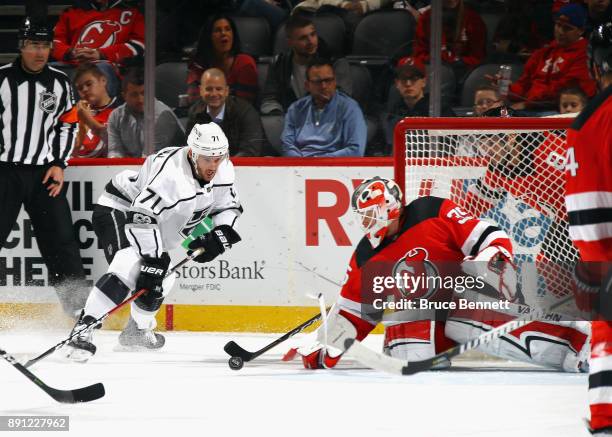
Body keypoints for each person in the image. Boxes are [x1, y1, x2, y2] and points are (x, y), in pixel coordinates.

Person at [288, 177, 589, 372]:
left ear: (388, 209)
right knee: (403, 344)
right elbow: (355, 313)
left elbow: (489, 234)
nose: (365, 221)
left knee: (464, 320)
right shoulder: (367, 254)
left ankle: (577, 340)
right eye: (362, 216)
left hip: (468, 297)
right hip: (428, 319)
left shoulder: (430, 212)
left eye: (370, 213)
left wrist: (487, 259)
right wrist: (326, 345)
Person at [66, 122, 243, 360]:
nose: (213, 165)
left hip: (153, 224)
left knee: (165, 277)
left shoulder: (223, 169)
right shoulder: (172, 176)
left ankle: (136, 331)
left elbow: (228, 206)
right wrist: (153, 258)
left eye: (219, 157)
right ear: (192, 153)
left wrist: (221, 234)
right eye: (207, 159)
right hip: (120, 208)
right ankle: (82, 329)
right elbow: (141, 216)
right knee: (129, 264)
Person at [0, 19, 87, 317]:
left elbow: (68, 123)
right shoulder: (1, 80)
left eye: (45, 46)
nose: (40, 52)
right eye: (34, 45)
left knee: (62, 241)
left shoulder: (61, 83)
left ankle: (78, 311)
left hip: (43, 176)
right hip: (4, 173)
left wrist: (59, 163)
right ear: (22, 46)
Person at [564, 21, 612, 436]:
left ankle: (606, 415)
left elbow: (586, 209)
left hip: (602, 250)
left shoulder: (586, 123)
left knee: (607, 325)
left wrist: (597, 266)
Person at [501, 4, 598, 112]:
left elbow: (566, 90)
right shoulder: (543, 53)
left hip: (558, 109)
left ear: (581, 31)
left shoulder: (585, 54)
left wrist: (528, 104)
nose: (560, 31)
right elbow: (524, 84)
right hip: (531, 107)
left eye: (567, 28)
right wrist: (507, 90)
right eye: (558, 25)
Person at [260, 14, 352, 115]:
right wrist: (278, 115)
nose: (311, 41)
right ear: (290, 42)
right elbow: (270, 99)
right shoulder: (279, 63)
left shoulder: (335, 61)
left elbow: (342, 98)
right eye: (303, 38)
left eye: (313, 34)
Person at [52, 0, 145, 97]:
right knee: (48, 70)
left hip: (110, 66)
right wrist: (70, 53)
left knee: (101, 69)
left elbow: (140, 45)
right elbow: (53, 42)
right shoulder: (71, 12)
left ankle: (101, 110)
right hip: (74, 63)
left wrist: (102, 54)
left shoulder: (133, 11)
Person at [281, 58, 366, 157]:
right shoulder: (295, 108)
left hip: (335, 168)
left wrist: (318, 162)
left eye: (328, 80)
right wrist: (302, 164)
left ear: (335, 82)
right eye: (318, 82)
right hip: (300, 167)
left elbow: (355, 150)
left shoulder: (350, 108)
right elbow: (287, 145)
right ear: (307, 85)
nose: (324, 86)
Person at [107, 67, 184, 158]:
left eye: (144, 93)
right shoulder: (115, 116)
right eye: (134, 95)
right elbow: (115, 151)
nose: (140, 99)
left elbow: (149, 159)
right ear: (124, 96)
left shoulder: (163, 116)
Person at [186, 68, 264, 157]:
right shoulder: (195, 112)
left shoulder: (246, 112)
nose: (214, 94)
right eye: (209, 89)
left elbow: (250, 152)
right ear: (201, 90)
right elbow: (191, 149)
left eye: (219, 89)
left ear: (227, 91)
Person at [400, 0, 486, 78]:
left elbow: (478, 57)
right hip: (434, 72)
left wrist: (459, 62)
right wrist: (435, 59)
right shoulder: (427, 18)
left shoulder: (473, 19)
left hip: (464, 73)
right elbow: (419, 54)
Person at [186, 14, 258, 105]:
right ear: (208, 37)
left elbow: (244, 104)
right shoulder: (198, 64)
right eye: (217, 30)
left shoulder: (244, 63)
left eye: (228, 29)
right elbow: (194, 99)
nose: (224, 33)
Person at [381, 63, 455, 149]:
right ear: (397, 83)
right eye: (403, 79)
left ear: (423, 82)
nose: (408, 84)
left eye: (414, 79)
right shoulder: (392, 113)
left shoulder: (439, 110)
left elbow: (450, 146)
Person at [64, 63, 120, 158]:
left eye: (89, 84)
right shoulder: (73, 113)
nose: (84, 89)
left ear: (103, 80)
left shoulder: (121, 111)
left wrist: (88, 120)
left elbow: (120, 142)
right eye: (80, 88)